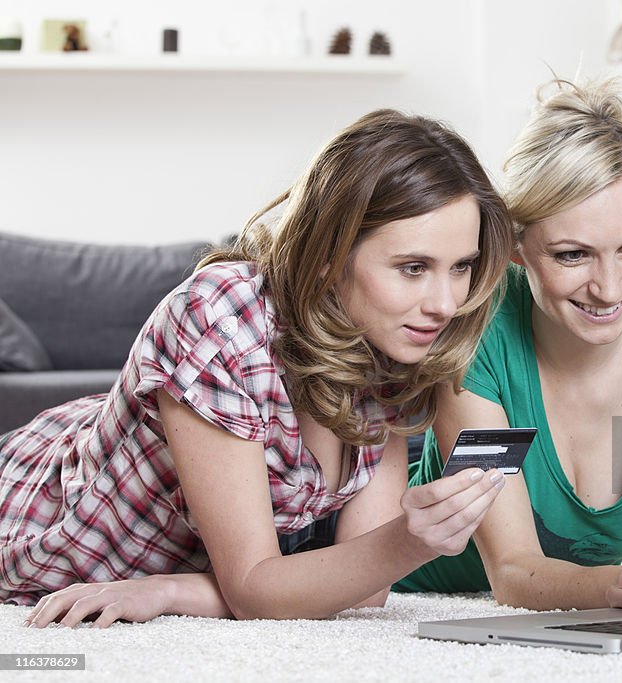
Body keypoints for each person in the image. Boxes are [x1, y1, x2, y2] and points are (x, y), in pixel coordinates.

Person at [1, 109, 514, 626]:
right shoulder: (219, 317)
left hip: (170, 555)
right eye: (413, 268)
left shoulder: (390, 340)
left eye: (461, 267)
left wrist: (169, 592)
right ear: (327, 256)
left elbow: (362, 592)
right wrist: (409, 540)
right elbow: (254, 591)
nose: (446, 304)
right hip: (48, 514)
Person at [395, 79, 622, 609]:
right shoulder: (477, 336)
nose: (609, 289)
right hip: (426, 584)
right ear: (517, 247)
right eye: (571, 255)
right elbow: (514, 572)